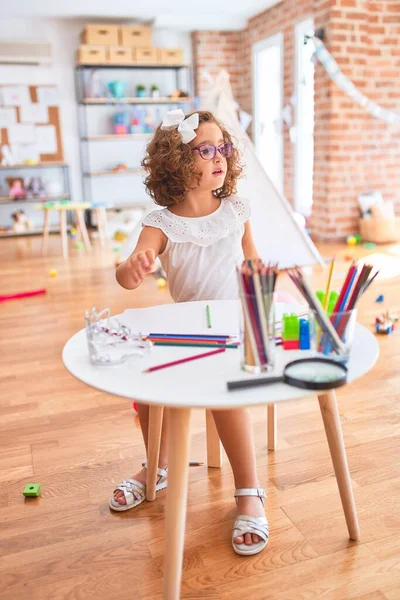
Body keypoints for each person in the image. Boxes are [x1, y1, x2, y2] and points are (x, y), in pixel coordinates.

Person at [111, 109, 269, 556]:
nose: (219, 157)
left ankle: (250, 490)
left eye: (223, 147)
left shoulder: (237, 209)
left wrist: (261, 276)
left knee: (224, 397)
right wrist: (134, 268)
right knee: (147, 390)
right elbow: (127, 275)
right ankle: (156, 467)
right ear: (179, 161)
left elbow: (252, 257)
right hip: (189, 328)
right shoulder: (160, 223)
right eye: (206, 149)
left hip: (235, 325)